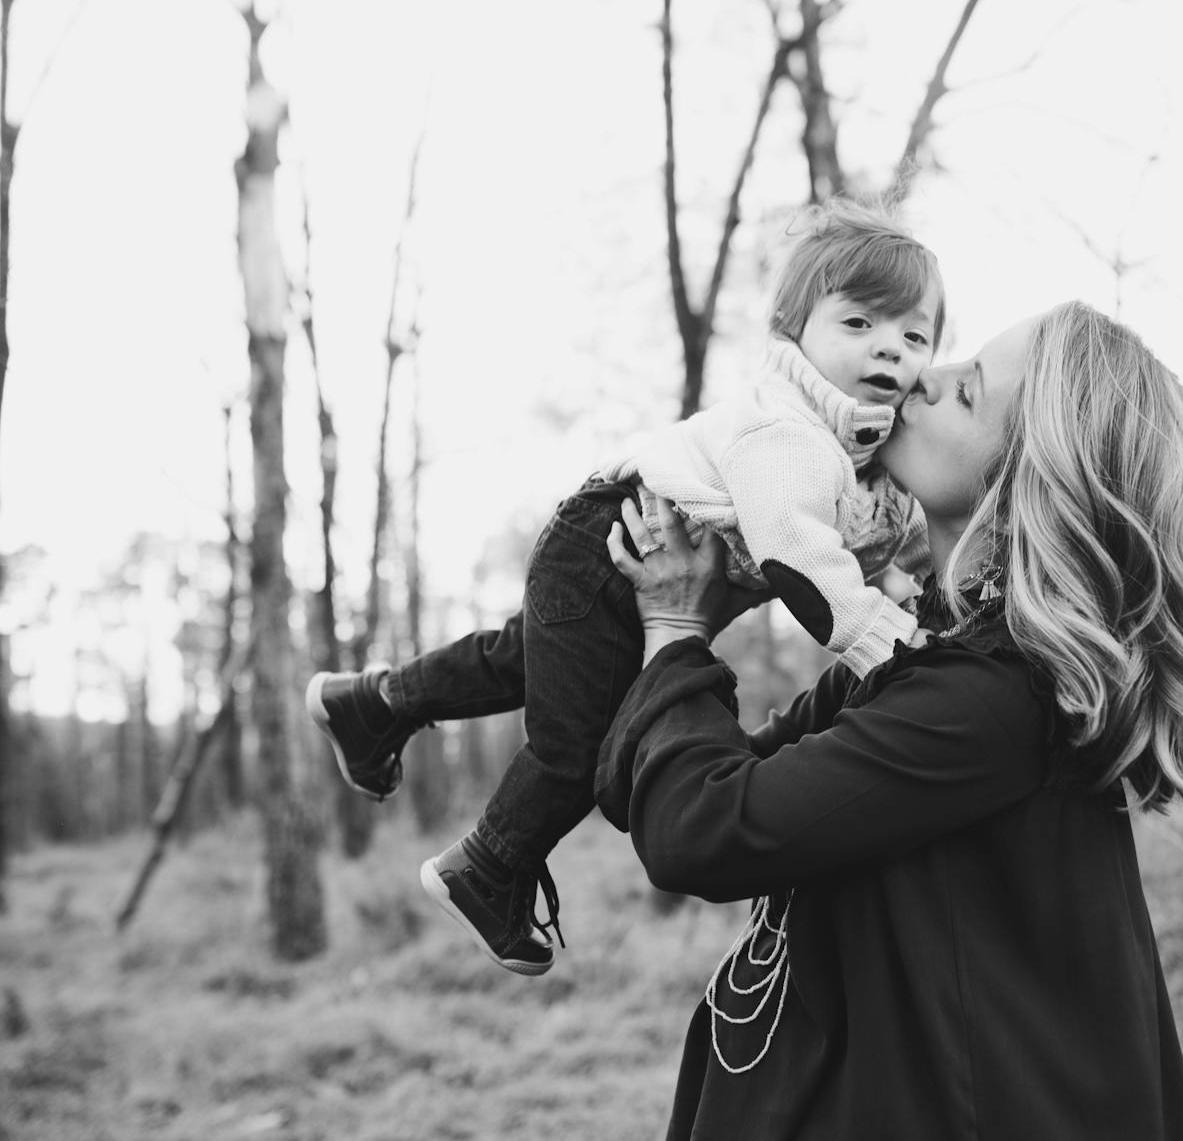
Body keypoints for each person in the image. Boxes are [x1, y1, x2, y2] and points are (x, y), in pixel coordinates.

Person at [593, 300, 1183, 1138]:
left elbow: (702, 830)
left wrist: (675, 627)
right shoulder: (928, 657)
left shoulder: (996, 694)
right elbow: (684, 785)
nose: (924, 375)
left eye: (966, 392)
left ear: (1029, 480)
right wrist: (700, 614)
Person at [306, 199, 943, 976]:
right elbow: (802, 559)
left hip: (604, 544)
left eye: (914, 335)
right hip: (611, 540)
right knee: (577, 739)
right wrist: (886, 640)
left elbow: (892, 534)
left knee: (521, 656)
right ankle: (485, 866)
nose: (891, 350)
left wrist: (929, 579)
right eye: (860, 324)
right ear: (793, 331)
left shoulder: (855, 450)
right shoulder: (791, 435)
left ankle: (370, 703)